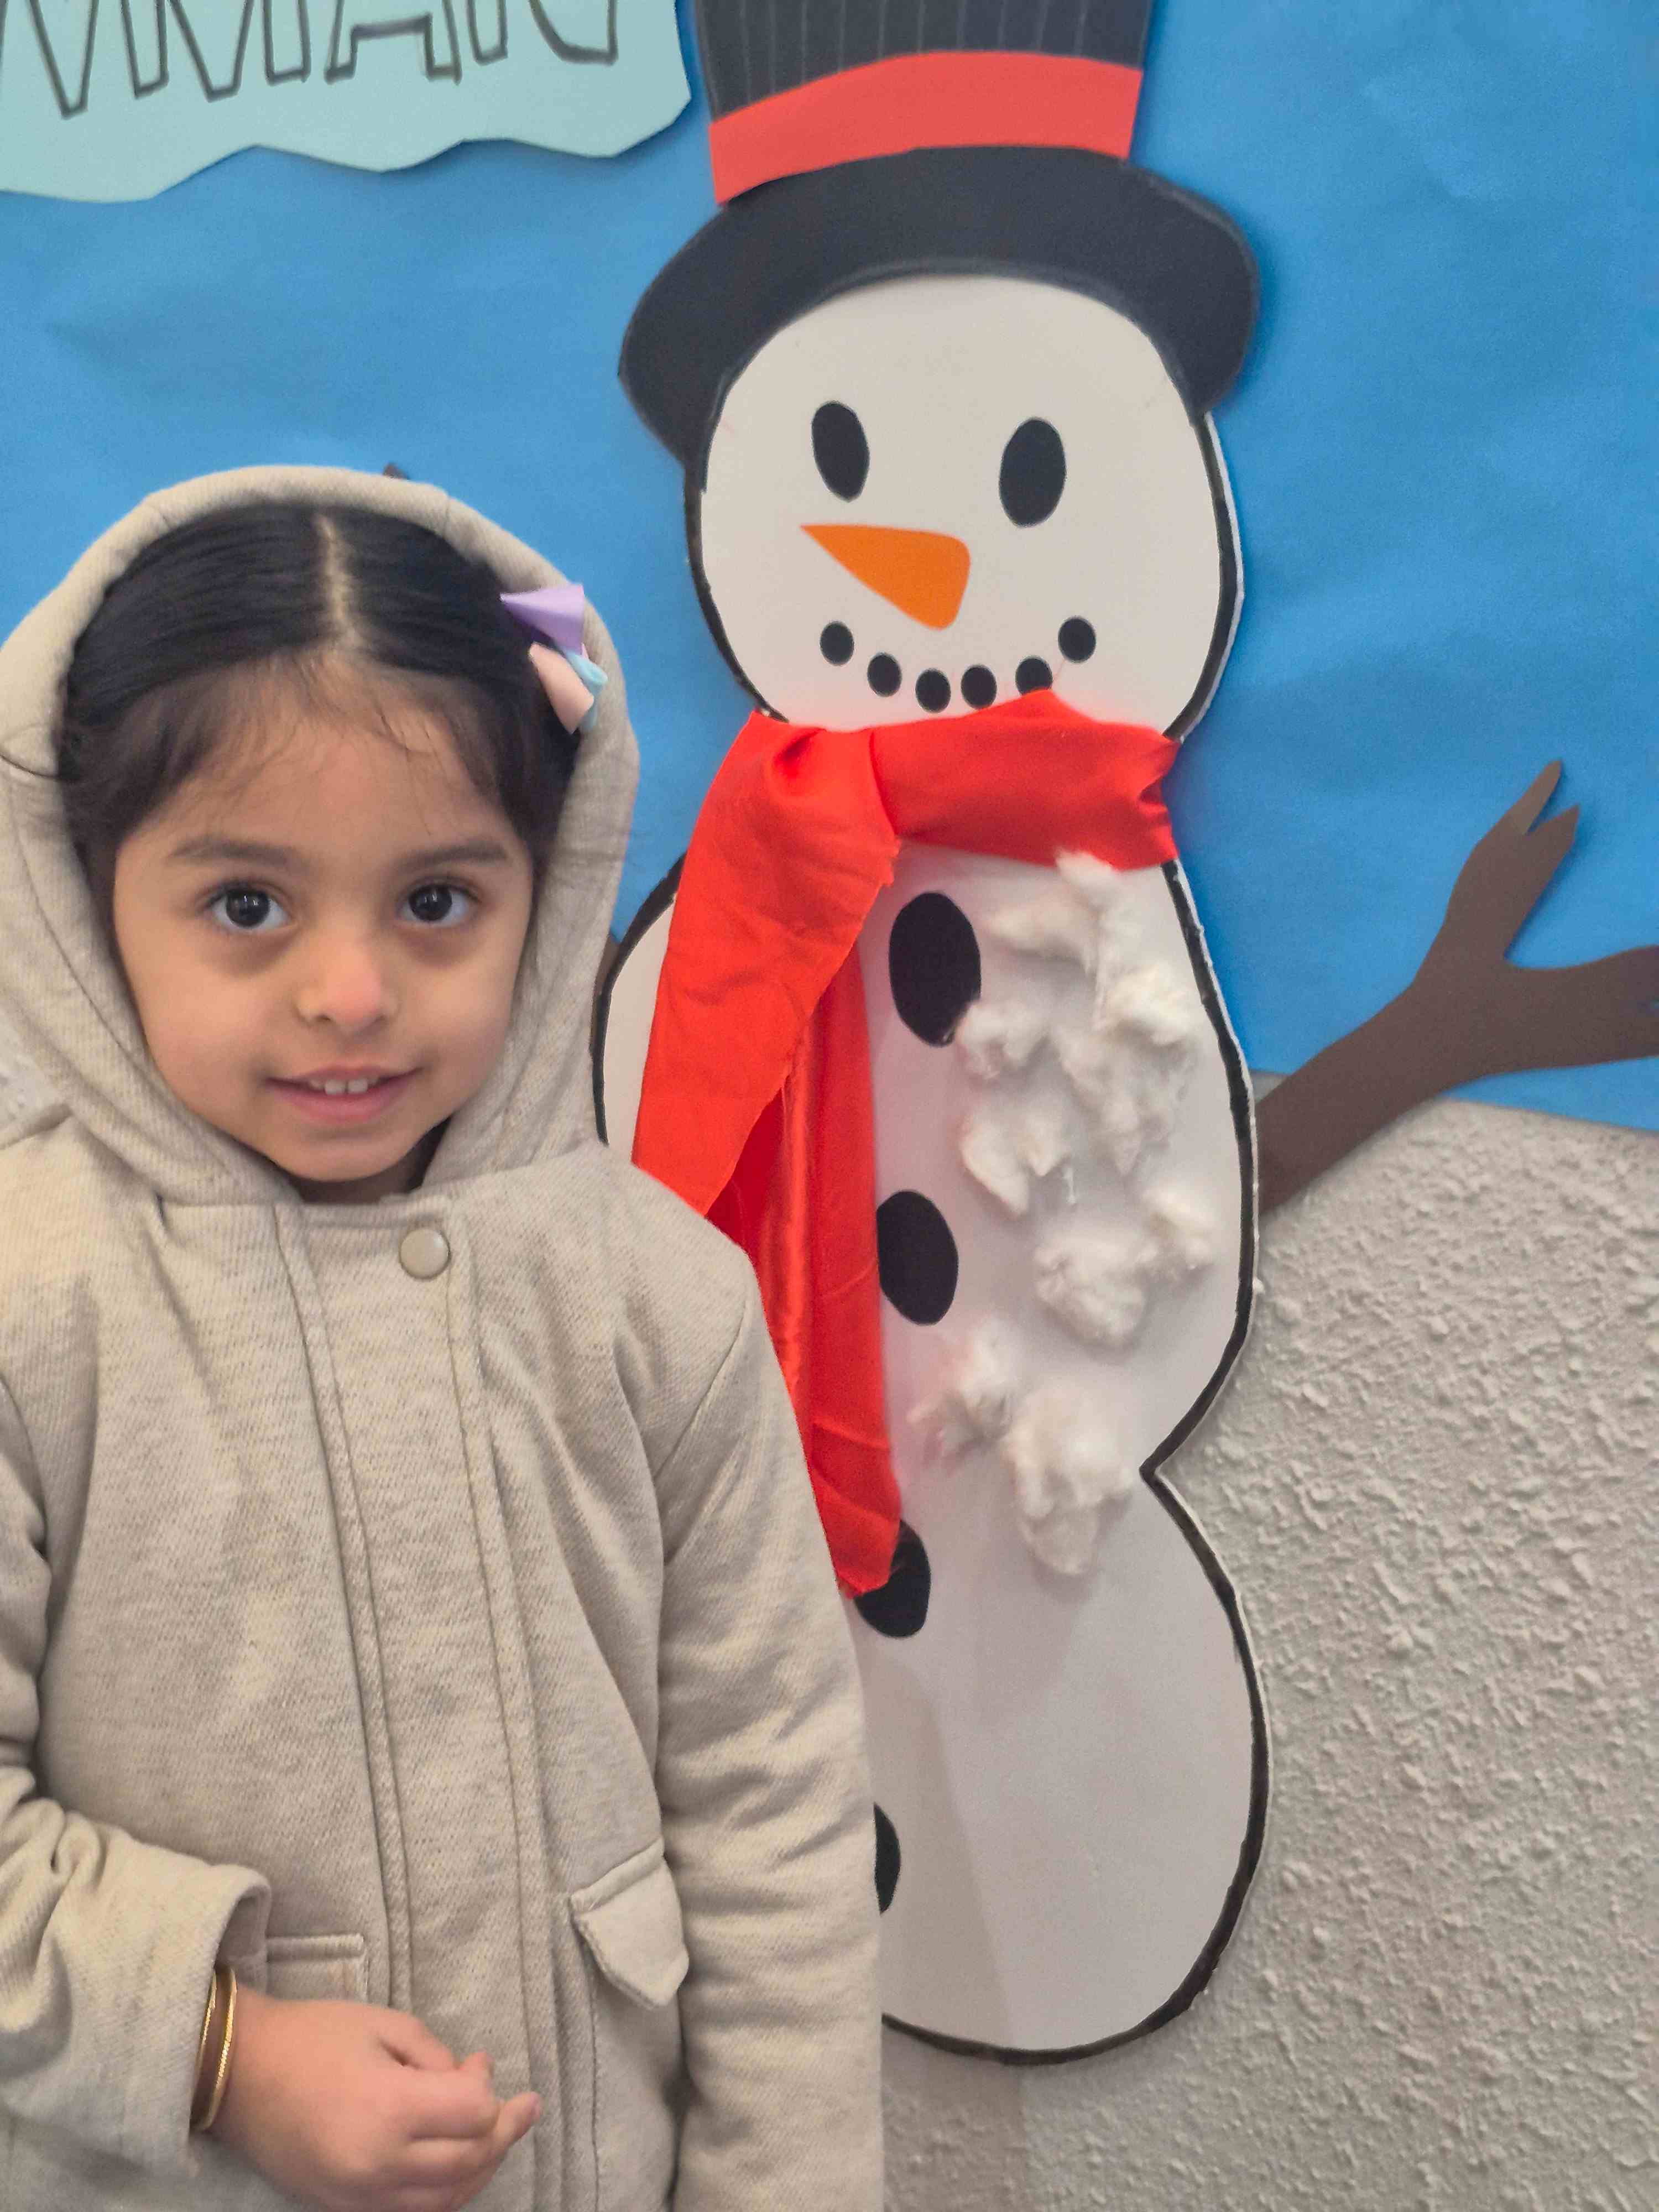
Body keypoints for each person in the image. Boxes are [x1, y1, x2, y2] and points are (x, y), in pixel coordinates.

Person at [0, 466, 883, 2212]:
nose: (349, 995)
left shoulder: (658, 1300)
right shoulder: (36, 1305)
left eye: (435, 903)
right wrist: (220, 2049)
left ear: (542, 892)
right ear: (87, 899)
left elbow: (774, 1820)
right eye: (245, 905)